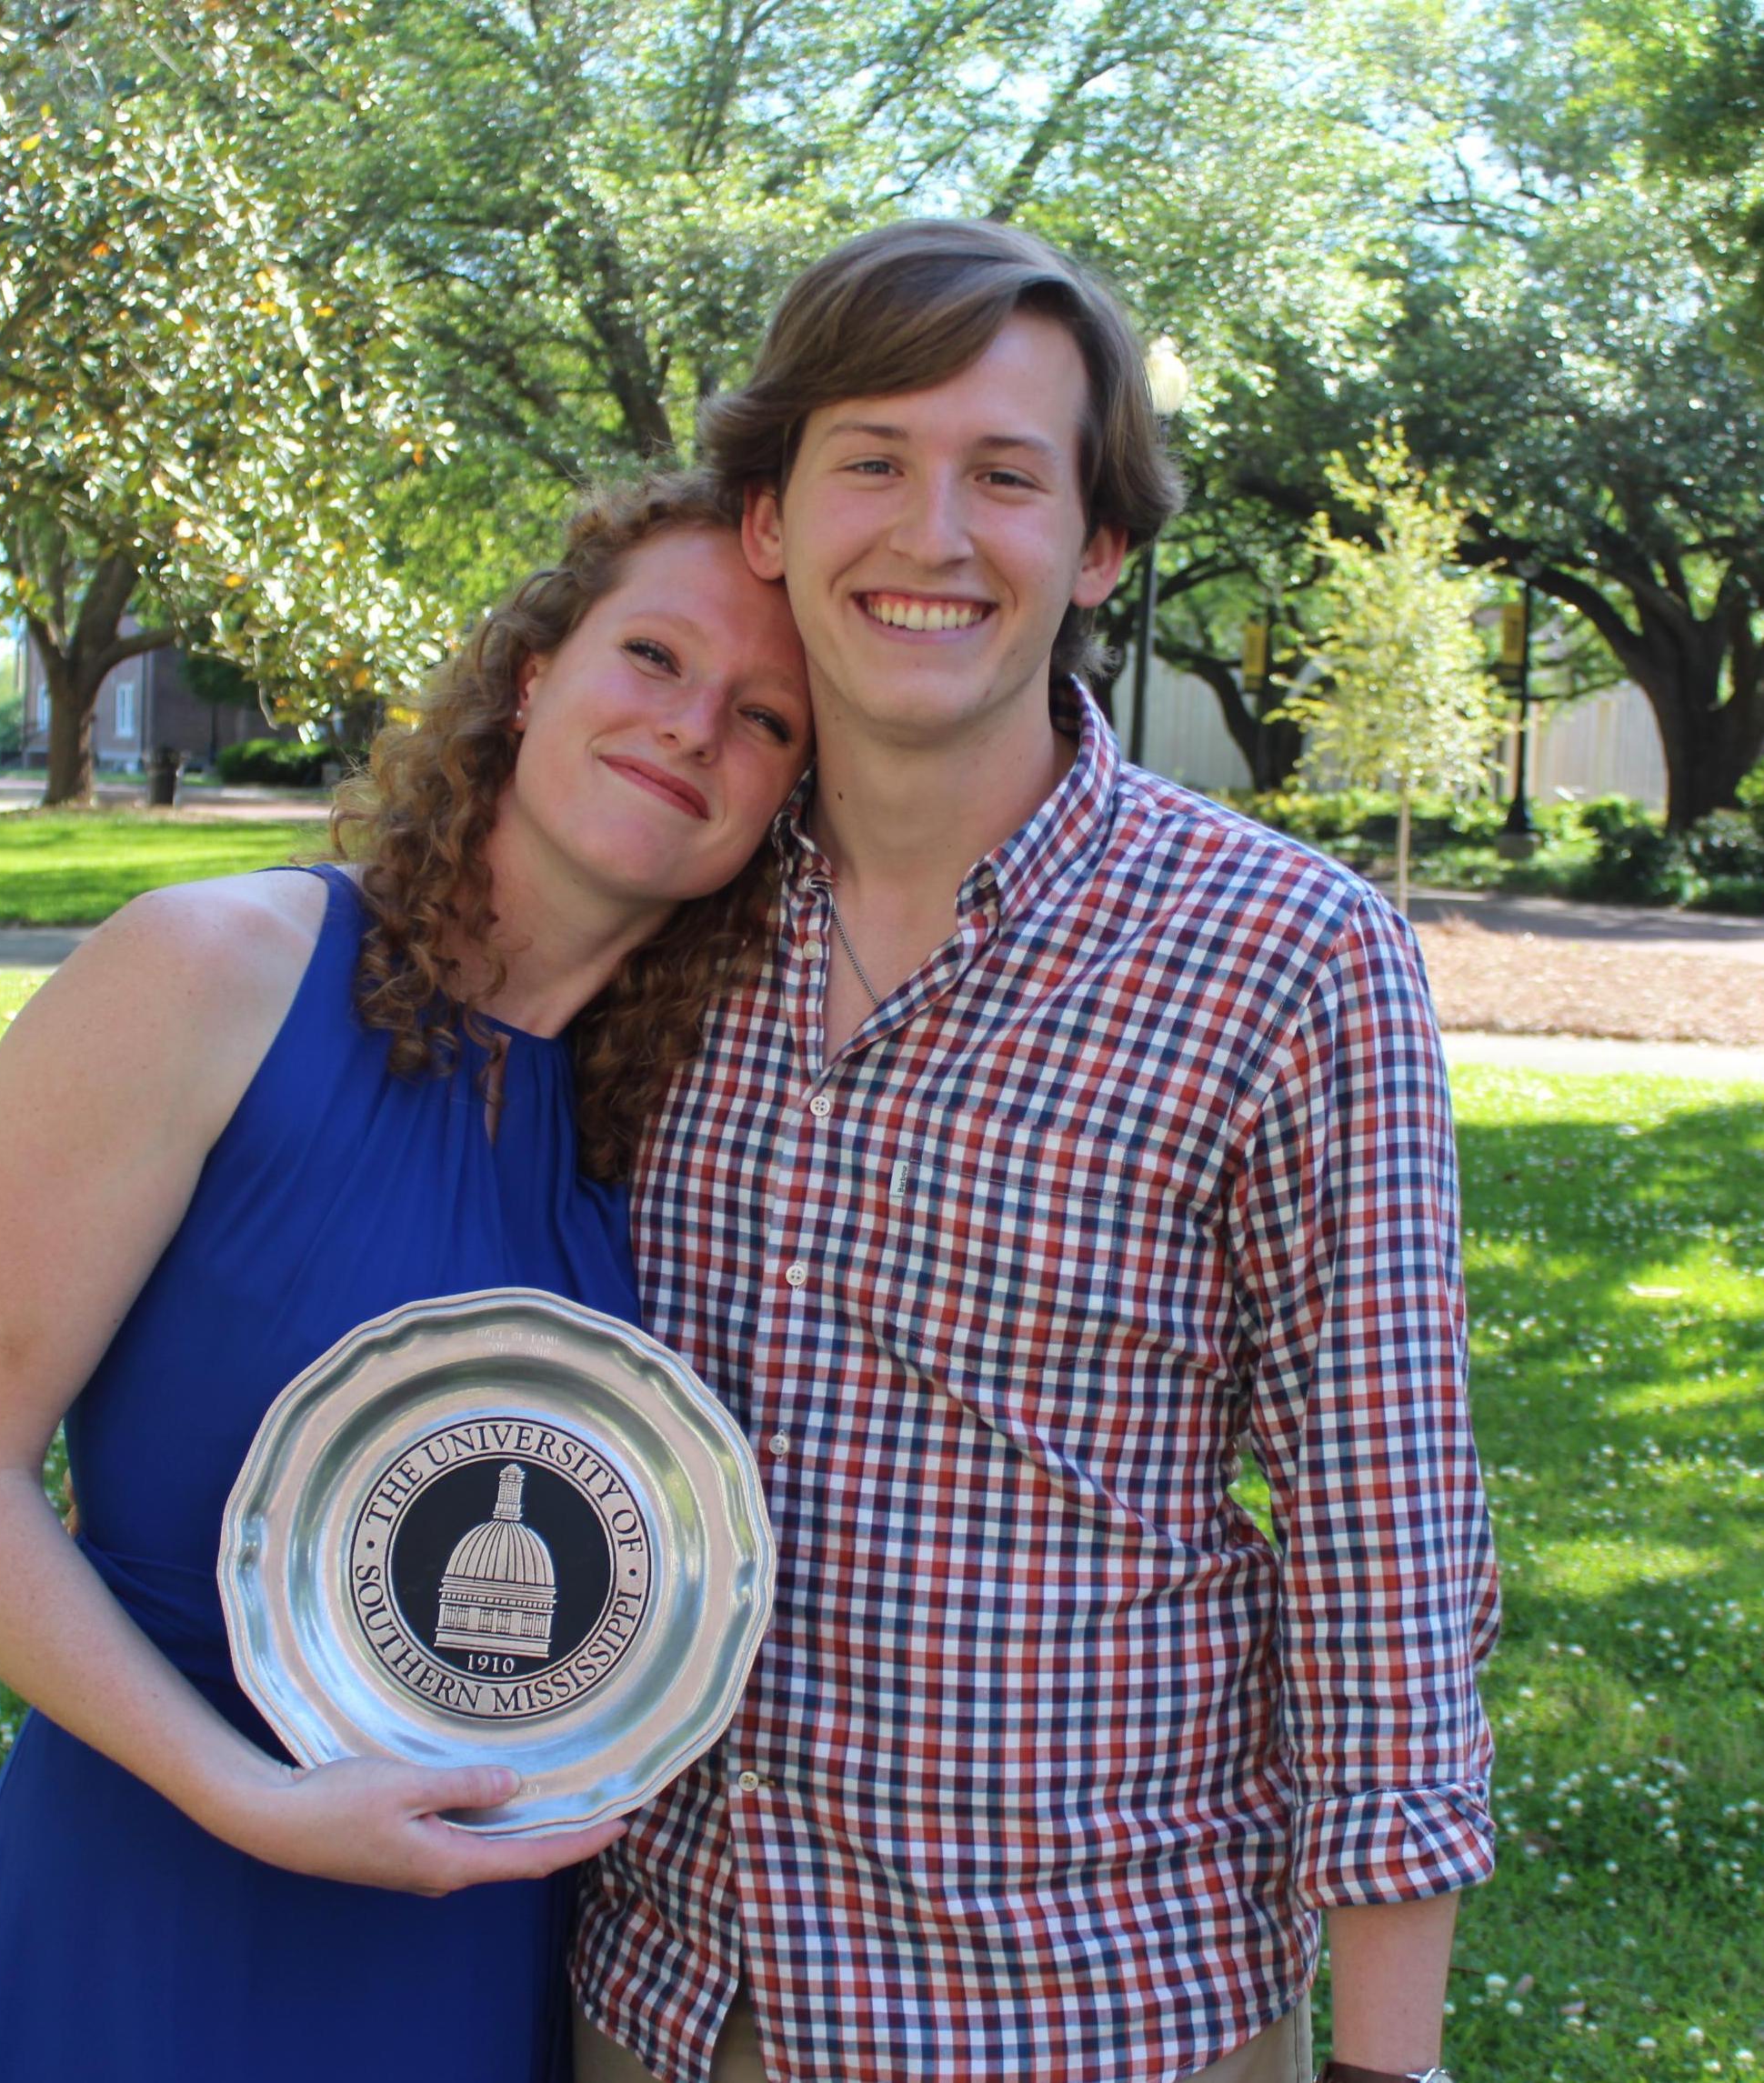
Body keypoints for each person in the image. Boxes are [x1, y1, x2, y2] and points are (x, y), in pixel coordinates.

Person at [572, 221, 1498, 2083]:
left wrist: (1386, 2068)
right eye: (872, 462)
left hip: (1090, 2010)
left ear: (1097, 548)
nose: (932, 534)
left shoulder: (1288, 957)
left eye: (1005, 475)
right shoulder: (661, 908)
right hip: (668, 2000)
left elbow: (1383, 1549)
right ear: (769, 517)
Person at [0, 472, 811, 2083]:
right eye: (652, 658)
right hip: (156, 1905)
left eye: (767, 718)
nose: (693, 727)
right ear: (534, 675)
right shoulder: (210, 973)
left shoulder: (675, 1125)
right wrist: (248, 1798)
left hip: (479, 1943)